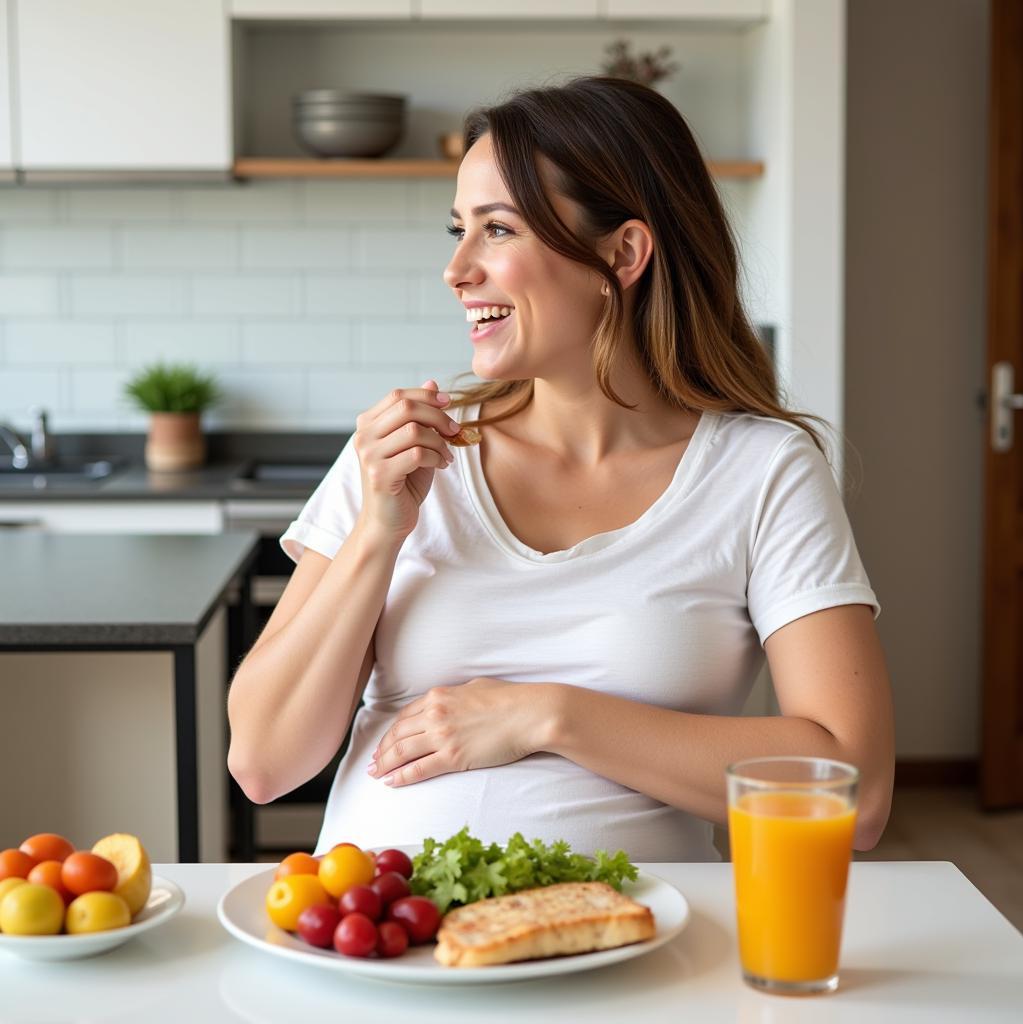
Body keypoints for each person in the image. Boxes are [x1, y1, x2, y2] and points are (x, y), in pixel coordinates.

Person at [227, 76, 894, 862]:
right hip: (384, 945)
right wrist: (378, 534)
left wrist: (545, 715)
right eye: (458, 230)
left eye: (499, 230)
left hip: (639, 949)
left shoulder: (762, 472)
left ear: (624, 253)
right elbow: (264, 762)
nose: (458, 269)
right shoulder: (405, 455)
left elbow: (857, 793)